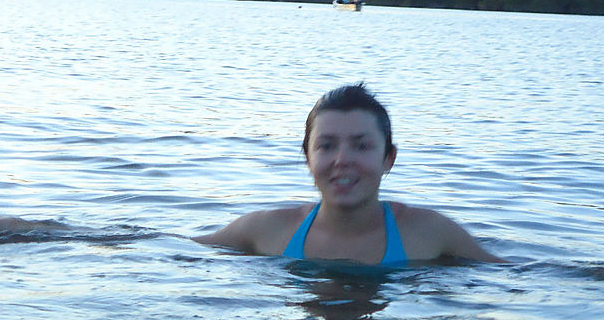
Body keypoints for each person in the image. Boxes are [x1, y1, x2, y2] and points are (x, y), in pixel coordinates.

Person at [194, 84, 504, 265]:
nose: (343, 160)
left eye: (362, 146)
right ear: (307, 158)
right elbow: (173, 250)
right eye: (326, 146)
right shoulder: (263, 230)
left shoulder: (431, 234)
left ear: (389, 158)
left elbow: (513, 275)